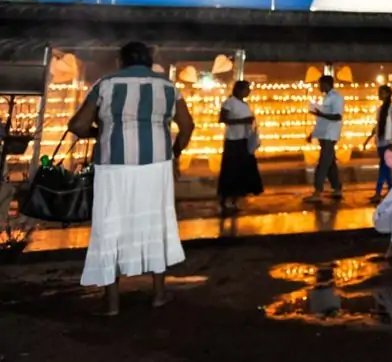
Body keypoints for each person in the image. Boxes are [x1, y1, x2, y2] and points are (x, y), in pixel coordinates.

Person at [68, 41, 195, 316]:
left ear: (121, 61)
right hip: (156, 166)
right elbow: (187, 125)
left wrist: (99, 133)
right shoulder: (168, 86)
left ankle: (112, 304)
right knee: (155, 222)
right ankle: (159, 295)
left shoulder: (106, 84)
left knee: (109, 226)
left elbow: (77, 125)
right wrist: (175, 150)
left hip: (113, 166)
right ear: (149, 61)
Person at [217, 80, 264, 215]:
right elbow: (222, 119)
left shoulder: (245, 104)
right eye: (246, 89)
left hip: (244, 139)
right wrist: (242, 121)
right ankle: (226, 197)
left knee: (242, 170)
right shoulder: (230, 103)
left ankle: (235, 198)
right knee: (231, 169)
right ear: (239, 90)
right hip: (233, 140)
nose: (248, 92)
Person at [305, 75, 344, 203]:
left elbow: (337, 116)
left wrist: (321, 114)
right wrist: (313, 133)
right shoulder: (327, 97)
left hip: (329, 135)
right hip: (324, 134)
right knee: (330, 163)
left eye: (320, 84)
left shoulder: (336, 97)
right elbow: (323, 118)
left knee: (323, 164)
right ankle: (337, 188)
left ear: (327, 84)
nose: (319, 87)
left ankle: (317, 191)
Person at [364, 84, 392, 204]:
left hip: (387, 142)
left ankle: (378, 193)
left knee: (383, 167)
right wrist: (369, 138)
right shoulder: (380, 109)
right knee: (386, 168)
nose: (379, 94)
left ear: (388, 94)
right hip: (380, 141)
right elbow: (377, 126)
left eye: (381, 92)